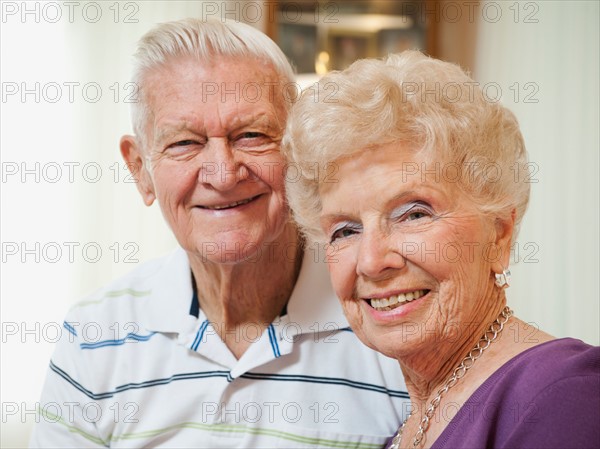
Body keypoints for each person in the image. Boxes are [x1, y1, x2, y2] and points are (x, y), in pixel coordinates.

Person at [30, 19, 409, 448]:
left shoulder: (386, 319)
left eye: (251, 135)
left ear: (299, 150)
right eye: (184, 143)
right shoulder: (93, 337)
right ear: (140, 170)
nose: (223, 174)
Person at [282, 50, 600, 449]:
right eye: (346, 231)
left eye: (414, 214)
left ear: (498, 235)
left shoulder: (564, 399)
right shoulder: (408, 426)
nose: (372, 261)